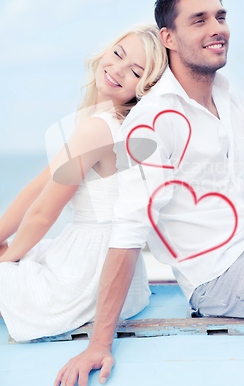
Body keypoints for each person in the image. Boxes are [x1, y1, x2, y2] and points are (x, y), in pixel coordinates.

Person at [53, 0, 244, 386]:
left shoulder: (233, 100)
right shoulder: (151, 123)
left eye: (220, 17)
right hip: (222, 275)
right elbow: (128, 235)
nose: (215, 28)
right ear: (169, 38)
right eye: (198, 20)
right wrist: (98, 344)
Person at [0, 24, 168, 342]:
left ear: (145, 87)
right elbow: (41, 183)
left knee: (11, 258)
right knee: (12, 249)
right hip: (119, 273)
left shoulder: (96, 128)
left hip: (85, 275)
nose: (117, 70)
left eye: (134, 71)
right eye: (118, 54)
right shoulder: (120, 124)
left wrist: (7, 258)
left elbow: (42, 214)